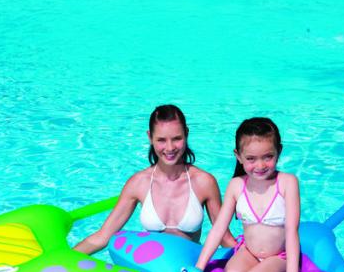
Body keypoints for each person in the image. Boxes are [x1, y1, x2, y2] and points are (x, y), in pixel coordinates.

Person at [74, 104, 235, 255]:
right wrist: (64, 259)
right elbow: (102, 237)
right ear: (150, 137)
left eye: (176, 138)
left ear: (186, 133)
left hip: (190, 266)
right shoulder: (138, 183)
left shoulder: (204, 182)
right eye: (161, 140)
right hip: (150, 267)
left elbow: (224, 237)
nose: (170, 148)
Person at [195, 117, 307, 272]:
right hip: (249, 252)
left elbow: (292, 231)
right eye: (251, 159)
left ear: (279, 151)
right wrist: (199, 267)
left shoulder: (287, 183)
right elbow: (218, 229)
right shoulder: (236, 185)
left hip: (279, 256)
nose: (260, 165)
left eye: (268, 157)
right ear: (238, 156)